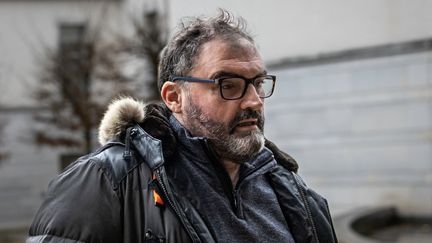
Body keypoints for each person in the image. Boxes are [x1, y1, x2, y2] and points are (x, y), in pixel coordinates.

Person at [27, 10, 338, 243]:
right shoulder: (107, 182)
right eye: (228, 85)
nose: (253, 101)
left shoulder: (291, 190)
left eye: (258, 83)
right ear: (174, 97)